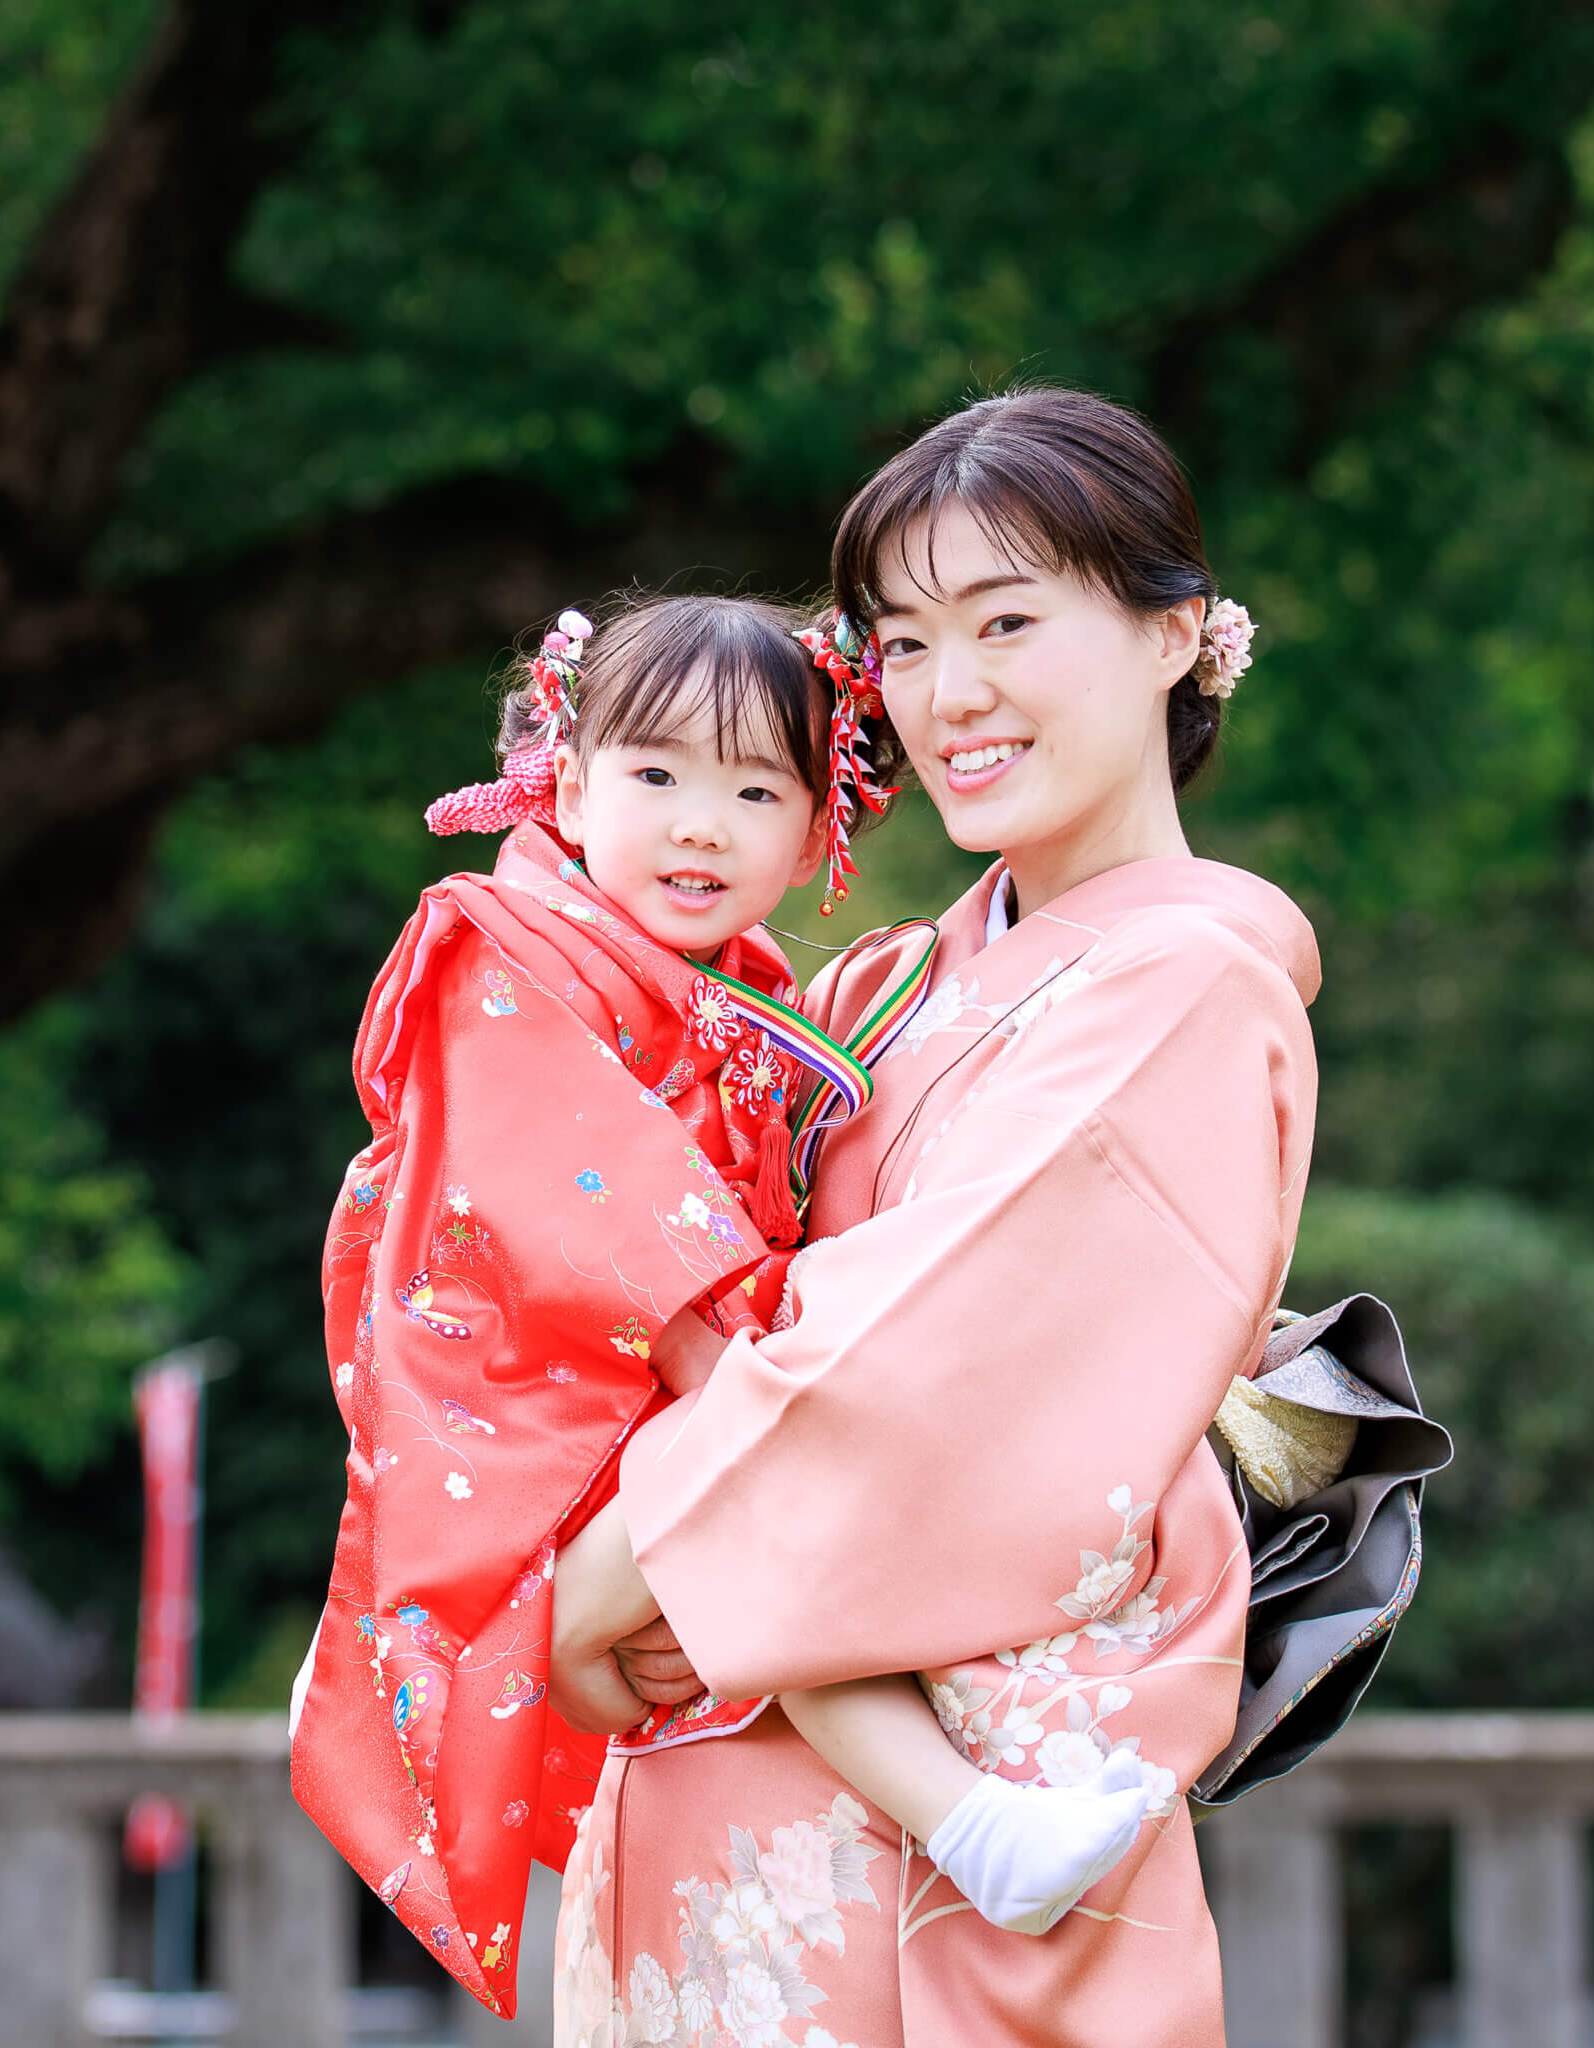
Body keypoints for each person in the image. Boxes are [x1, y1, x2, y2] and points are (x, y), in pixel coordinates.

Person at [545, 387, 1313, 2048]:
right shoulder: (883, 984)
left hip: (928, 1857)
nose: (947, 694)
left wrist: (601, 1573)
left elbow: (906, 1363)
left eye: (1010, 623)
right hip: (716, 1806)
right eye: (898, 643)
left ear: (1177, 633)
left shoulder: (1185, 979)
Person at [291, 593, 1151, 2020]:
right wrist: (748, 1379)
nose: (701, 825)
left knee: (783, 1540)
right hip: (547, 1390)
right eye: (656, 777)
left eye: (757, 789)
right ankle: (978, 1826)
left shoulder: (743, 993)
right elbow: (575, 1194)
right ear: (565, 783)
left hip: (661, 1380)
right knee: (778, 1516)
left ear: (822, 830)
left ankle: (976, 1821)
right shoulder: (499, 945)